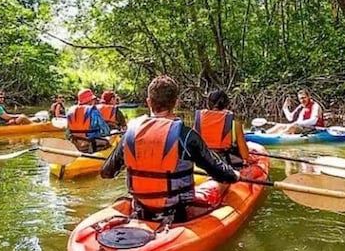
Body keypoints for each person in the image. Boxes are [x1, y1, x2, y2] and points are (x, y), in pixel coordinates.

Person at [101, 75, 241, 223]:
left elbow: (107, 173)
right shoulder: (186, 136)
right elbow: (219, 172)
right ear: (176, 103)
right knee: (221, 184)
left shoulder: (130, 134)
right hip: (179, 214)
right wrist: (234, 175)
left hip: (141, 210)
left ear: (149, 102)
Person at [193, 89, 250, 167]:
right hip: (222, 164)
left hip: (200, 161)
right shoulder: (235, 124)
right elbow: (245, 156)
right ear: (226, 104)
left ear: (208, 104)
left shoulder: (198, 120)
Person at [66, 88, 111, 152]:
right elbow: (106, 131)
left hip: (76, 144)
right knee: (109, 143)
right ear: (90, 100)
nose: (94, 102)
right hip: (92, 144)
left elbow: (67, 134)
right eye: (93, 100)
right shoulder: (94, 111)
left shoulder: (70, 111)